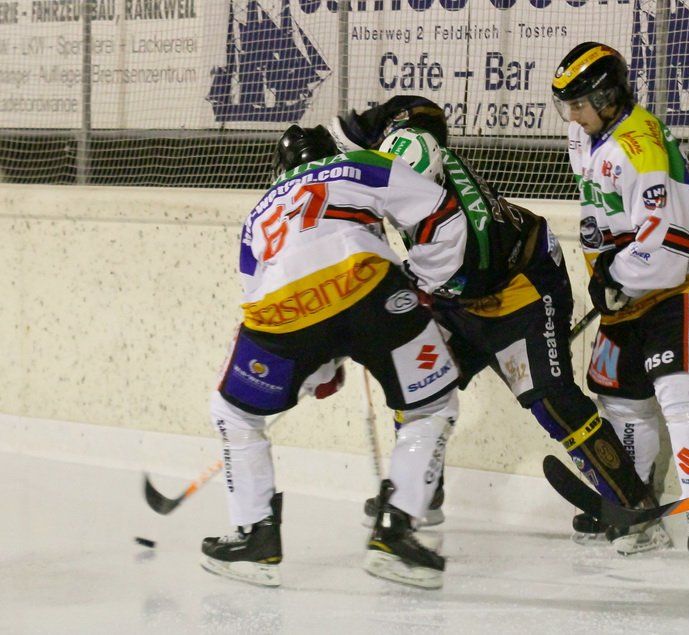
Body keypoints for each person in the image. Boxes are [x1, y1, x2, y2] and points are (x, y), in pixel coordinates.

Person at [328, 96, 661, 550]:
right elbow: (424, 111)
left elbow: (412, 290)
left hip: (524, 290)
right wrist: (364, 128)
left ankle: (635, 504)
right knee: (417, 381)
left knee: (553, 401)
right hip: (461, 292)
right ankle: (418, 493)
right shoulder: (415, 156)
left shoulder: (458, 237)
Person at [200, 124, 464, 589]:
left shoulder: (260, 211)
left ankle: (255, 537)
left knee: (234, 413)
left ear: (281, 170)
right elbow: (442, 216)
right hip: (370, 287)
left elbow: (254, 291)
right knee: (431, 405)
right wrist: (421, 286)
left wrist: (319, 363)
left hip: (284, 308)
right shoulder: (362, 162)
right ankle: (396, 532)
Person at [551, 42, 689, 565]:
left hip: (683, 284)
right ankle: (635, 505)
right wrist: (609, 276)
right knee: (620, 397)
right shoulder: (585, 133)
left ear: (607, 97)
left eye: (578, 104)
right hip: (627, 290)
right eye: (566, 105)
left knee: (681, 390)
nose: (572, 116)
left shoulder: (641, 149)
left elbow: (671, 248)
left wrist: (616, 274)